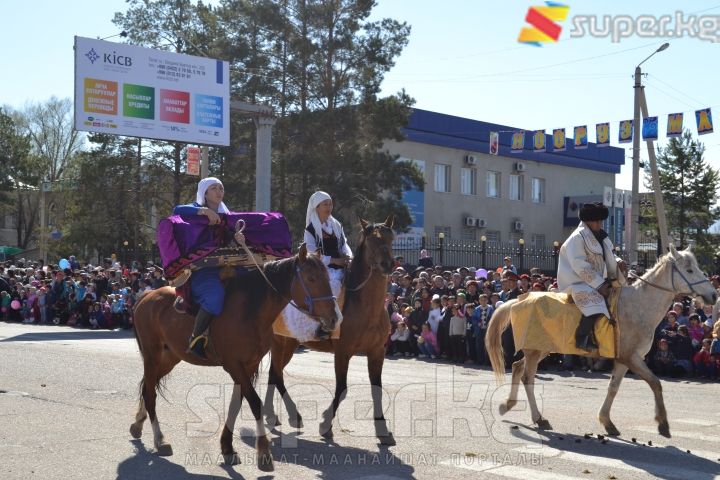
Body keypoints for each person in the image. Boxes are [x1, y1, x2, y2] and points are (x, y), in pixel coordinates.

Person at [173, 177, 247, 359]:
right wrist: (203, 211)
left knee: (254, 284)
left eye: (221, 188)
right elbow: (176, 211)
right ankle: (196, 337)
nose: (219, 191)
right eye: (214, 188)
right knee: (215, 296)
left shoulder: (228, 217)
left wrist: (239, 240)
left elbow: (230, 244)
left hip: (229, 266)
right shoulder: (194, 209)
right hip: (202, 271)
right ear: (204, 192)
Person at [557, 202, 626, 351]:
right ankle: (581, 338)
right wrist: (600, 285)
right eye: (598, 221)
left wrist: (619, 263)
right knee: (594, 304)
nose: (600, 224)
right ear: (588, 221)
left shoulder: (602, 237)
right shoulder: (577, 238)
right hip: (576, 282)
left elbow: (611, 256)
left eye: (601, 221)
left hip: (596, 281)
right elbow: (579, 265)